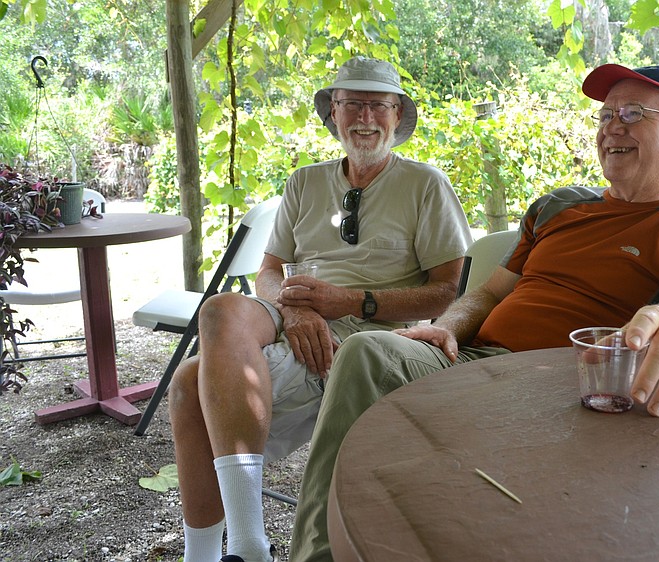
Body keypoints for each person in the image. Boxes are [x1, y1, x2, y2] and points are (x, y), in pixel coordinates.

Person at [287, 63, 659, 561]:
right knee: (367, 351)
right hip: (470, 364)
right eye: (605, 115)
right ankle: (318, 553)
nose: (612, 127)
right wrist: (445, 329)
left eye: (633, 113)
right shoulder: (557, 206)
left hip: (560, 388)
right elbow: (487, 295)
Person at [168, 56, 472, 562]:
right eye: (352, 103)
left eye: (378, 105)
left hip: (365, 336)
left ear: (398, 116)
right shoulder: (304, 182)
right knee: (221, 308)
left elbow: (446, 291)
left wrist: (348, 301)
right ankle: (245, 547)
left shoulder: (425, 185)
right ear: (334, 112)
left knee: (185, 385)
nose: (365, 118)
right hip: (297, 319)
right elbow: (270, 270)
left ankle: (232, 549)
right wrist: (291, 311)